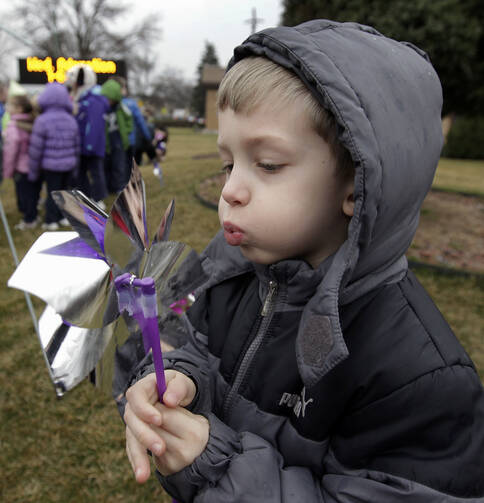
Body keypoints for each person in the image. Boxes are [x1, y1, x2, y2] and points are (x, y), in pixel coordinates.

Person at [122, 20, 484, 501]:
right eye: (228, 164)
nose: (231, 190)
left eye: (268, 164)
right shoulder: (228, 270)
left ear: (357, 185)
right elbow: (188, 340)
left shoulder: (423, 381)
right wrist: (176, 379)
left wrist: (216, 468)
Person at [29, 82, 80, 230]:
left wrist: (33, 171)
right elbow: (77, 145)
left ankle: (50, 221)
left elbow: (36, 148)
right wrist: (75, 167)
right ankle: (63, 217)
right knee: (65, 192)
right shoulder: (71, 119)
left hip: (50, 166)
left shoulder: (42, 120)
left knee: (53, 192)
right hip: (69, 164)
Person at [65, 64, 110, 210]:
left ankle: (98, 199)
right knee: (82, 173)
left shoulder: (94, 99)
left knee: (96, 172)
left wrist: (89, 145)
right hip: (83, 145)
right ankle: (86, 197)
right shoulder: (83, 98)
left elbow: (94, 124)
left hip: (91, 145)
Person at [2, 94, 40, 230]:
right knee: (33, 192)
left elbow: (11, 150)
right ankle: (33, 215)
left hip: (21, 167)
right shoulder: (34, 121)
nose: (7, 107)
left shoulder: (14, 125)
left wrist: (7, 171)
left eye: (10, 105)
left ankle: (29, 219)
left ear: (19, 108)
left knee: (24, 195)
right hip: (35, 164)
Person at [111, 75, 158, 174]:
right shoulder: (131, 104)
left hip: (112, 143)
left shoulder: (107, 103)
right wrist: (148, 138)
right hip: (130, 142)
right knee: (128, 169)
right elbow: (141, 123)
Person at [100, 78, 133, 194]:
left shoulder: (121, 108)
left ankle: (119, 187)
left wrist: (127, 131)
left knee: (119, 165)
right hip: (105, 141)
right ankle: (107, 187)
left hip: (118, 140)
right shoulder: (101, 108)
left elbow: (129, 119)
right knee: (106, 165)